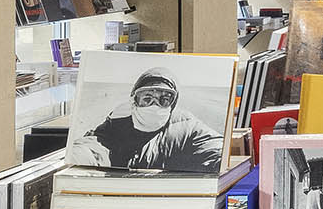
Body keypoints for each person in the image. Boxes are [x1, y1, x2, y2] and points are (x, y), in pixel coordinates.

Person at [81, 67, 223, 175]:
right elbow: (93, 147)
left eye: (164, 100)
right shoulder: (117, 123)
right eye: (147, 99)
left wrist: (220, 160)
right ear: (134, 101)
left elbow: (213, 147)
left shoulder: (187, 127)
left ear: (173, 104)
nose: (154, 106)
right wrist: (79, 155)